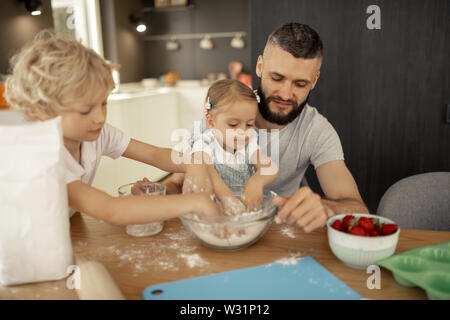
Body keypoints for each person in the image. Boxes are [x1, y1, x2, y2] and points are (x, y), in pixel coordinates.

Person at [164, 22, 369, 232]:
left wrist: (327, 209)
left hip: (282, 237)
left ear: (314, 80)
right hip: (218, 230)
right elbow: (177, 182)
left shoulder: (316, 130)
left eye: (300, 84)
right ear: (260, 66)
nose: (286, 94)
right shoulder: (224, 114)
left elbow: (358, 209)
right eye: (277, 78)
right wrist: (158, 192)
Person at [4, 31, 221, 226]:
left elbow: (154, 154)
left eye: (104, 103)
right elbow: (110, 210)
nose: (99, 117)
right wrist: (195, 202)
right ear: (43, 110)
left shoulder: (97, 133)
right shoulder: (45, 155)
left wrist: (192, 164)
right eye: (85, 110)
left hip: (65, 228)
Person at [189, 79, 278, 214]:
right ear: (211, 122)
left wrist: (257, 181)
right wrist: (227, 198)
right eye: (233, 124)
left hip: (242, 213)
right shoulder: (204, 143)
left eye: (249, 124)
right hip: (210, 213)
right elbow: (206, 170)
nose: (243, 131)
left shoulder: (249, 144)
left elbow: (270, 168)